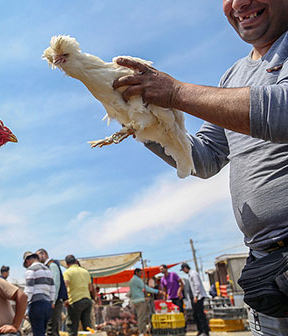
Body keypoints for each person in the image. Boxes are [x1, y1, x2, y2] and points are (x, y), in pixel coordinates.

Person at [112, 1, 288, 334]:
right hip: (268, 269)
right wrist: (139, 121)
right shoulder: (233, 76)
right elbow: (204, 158)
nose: (239, 4)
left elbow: (281, 111)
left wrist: (175, 92)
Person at [36, 248, 69, 336]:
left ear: (44, 255)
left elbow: (55, 283)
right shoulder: (47, 267)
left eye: (38, 256)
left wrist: (52, 300)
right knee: (53, 329)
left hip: (54, 301)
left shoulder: (52, 265)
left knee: (51, 329)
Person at [23, 251, 55, 336]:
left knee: (37, 333)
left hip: (36, 305)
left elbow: (29, 289)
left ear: (27, 261)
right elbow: (52, 289)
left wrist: (24, 305)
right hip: (47, 305)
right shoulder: (48, 270)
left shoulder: (31, 270)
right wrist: (51, 302)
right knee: (42, 332)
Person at [63, 254, 95, 336]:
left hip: (75, 301)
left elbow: (65, 287)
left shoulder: (67, 272)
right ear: (76, 262)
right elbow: (90, 288)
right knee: (87, 325)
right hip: (87, 300)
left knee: (72, 326)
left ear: (66, 264)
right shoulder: (85, 272)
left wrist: (65, 300)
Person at [128, 268, 160, 336]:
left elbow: (131, 292)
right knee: (142, 318)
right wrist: (157, 291)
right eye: (140, 273)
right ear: (136, 273)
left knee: (140, 317)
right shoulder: (137, 280)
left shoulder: (131, 280)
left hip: (135, 301)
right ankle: (142, 332)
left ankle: (142, 332)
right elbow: (146, 288)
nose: (141, 274)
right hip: (139, 301)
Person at [180, 263, 210, 336]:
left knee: (200, 314)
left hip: (199, 297)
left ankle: (205, 331)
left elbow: (197, 285)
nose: (184, 272)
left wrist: (196, 296)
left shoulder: (193, 273)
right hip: (196, 297)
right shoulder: (190, 274)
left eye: (183, 270)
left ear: (185, 268)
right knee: (195, 314)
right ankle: (200, 330)